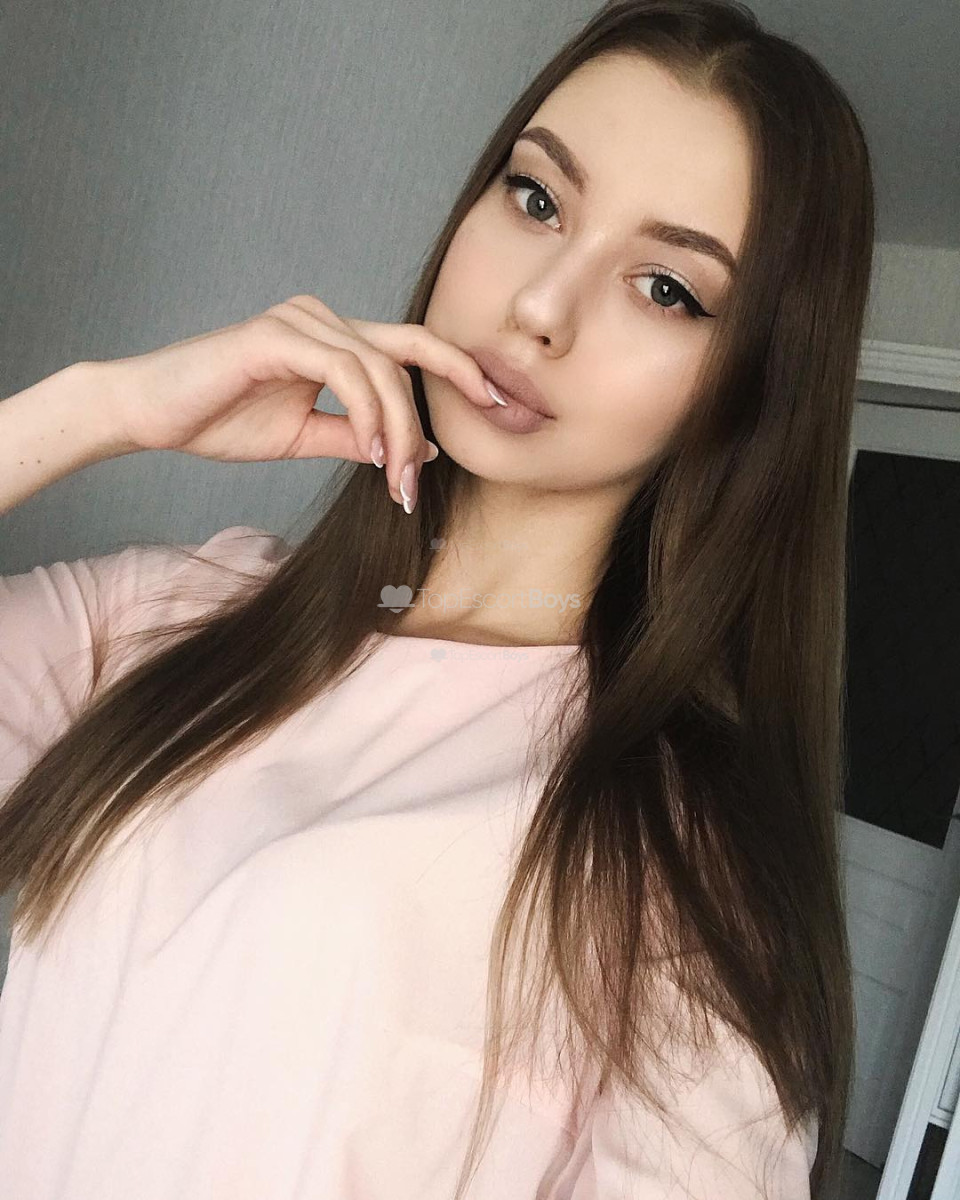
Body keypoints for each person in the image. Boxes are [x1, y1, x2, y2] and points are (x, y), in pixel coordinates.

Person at [0, 1, 874, 1197]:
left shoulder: (685, 868)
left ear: (752, 388)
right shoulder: (186, 614)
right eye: (536, 199)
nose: (541, 307)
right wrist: (101, 408)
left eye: (666, 288)